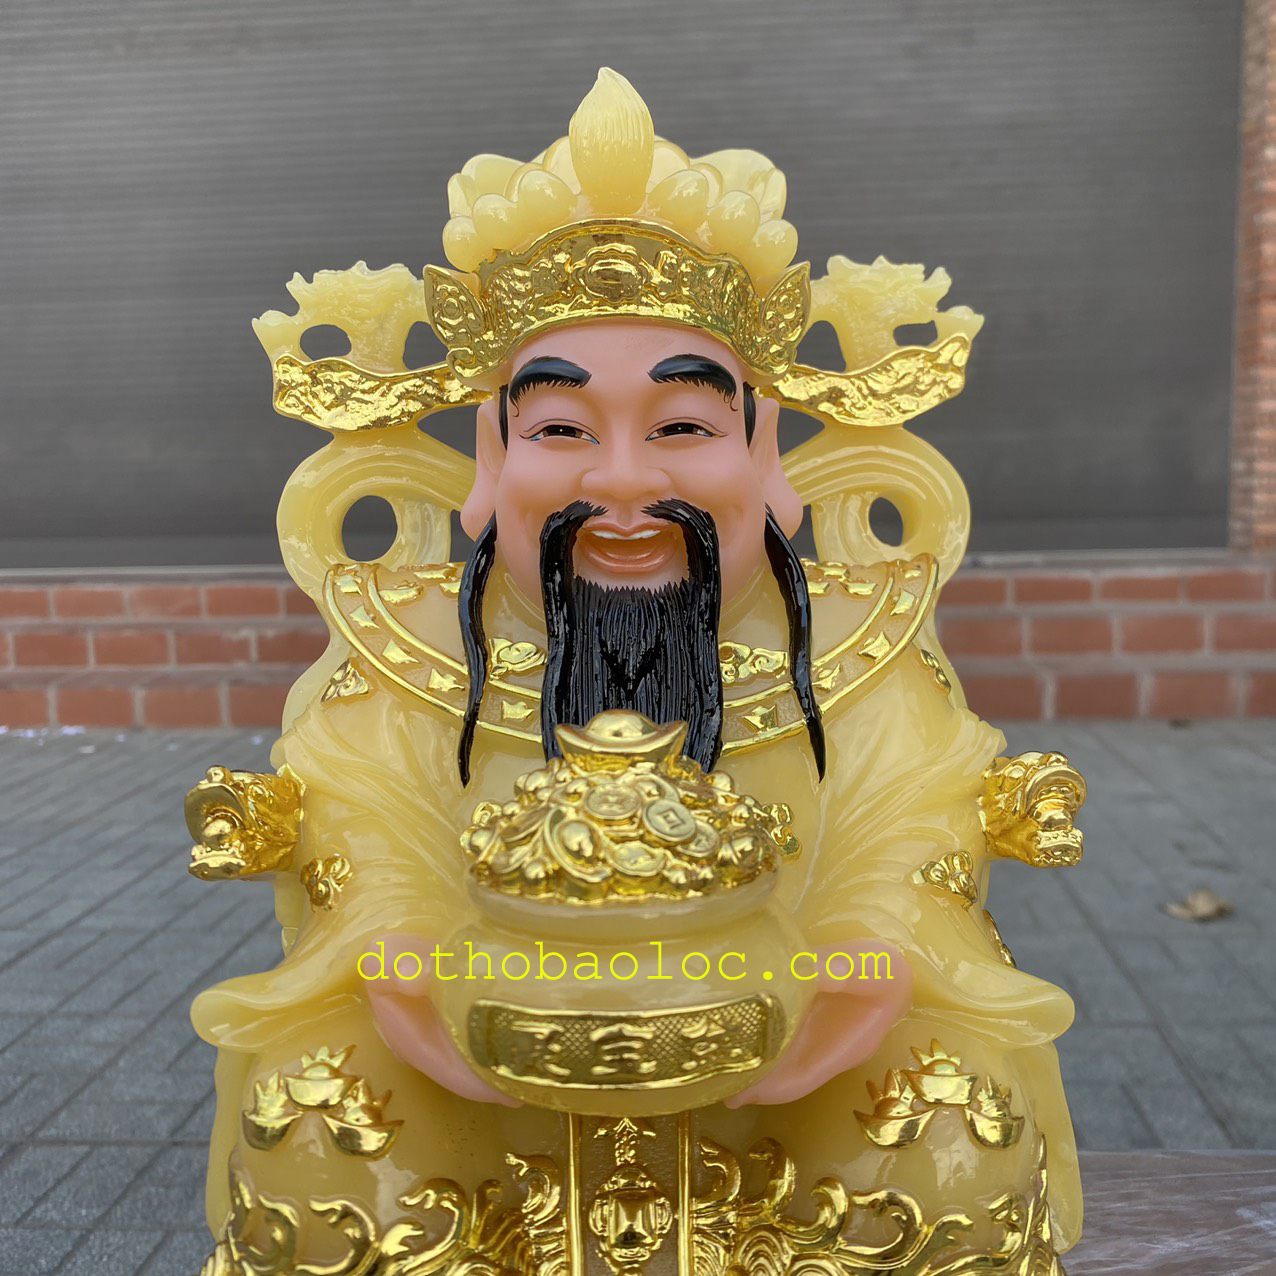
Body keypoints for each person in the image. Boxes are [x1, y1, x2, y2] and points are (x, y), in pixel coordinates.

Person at [189, 69, 1086, 1275]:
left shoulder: (856, 639)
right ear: (491, 461)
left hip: (801, 1055)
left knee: (945, 1126)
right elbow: (365, 832)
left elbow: (911, 825)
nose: (620, 482)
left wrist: (853, 978)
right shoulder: (410, 644)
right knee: (313, 1120)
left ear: (765, 454)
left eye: (680, 428)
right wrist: (410, 978)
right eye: (561, 430)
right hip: (470, 1062)